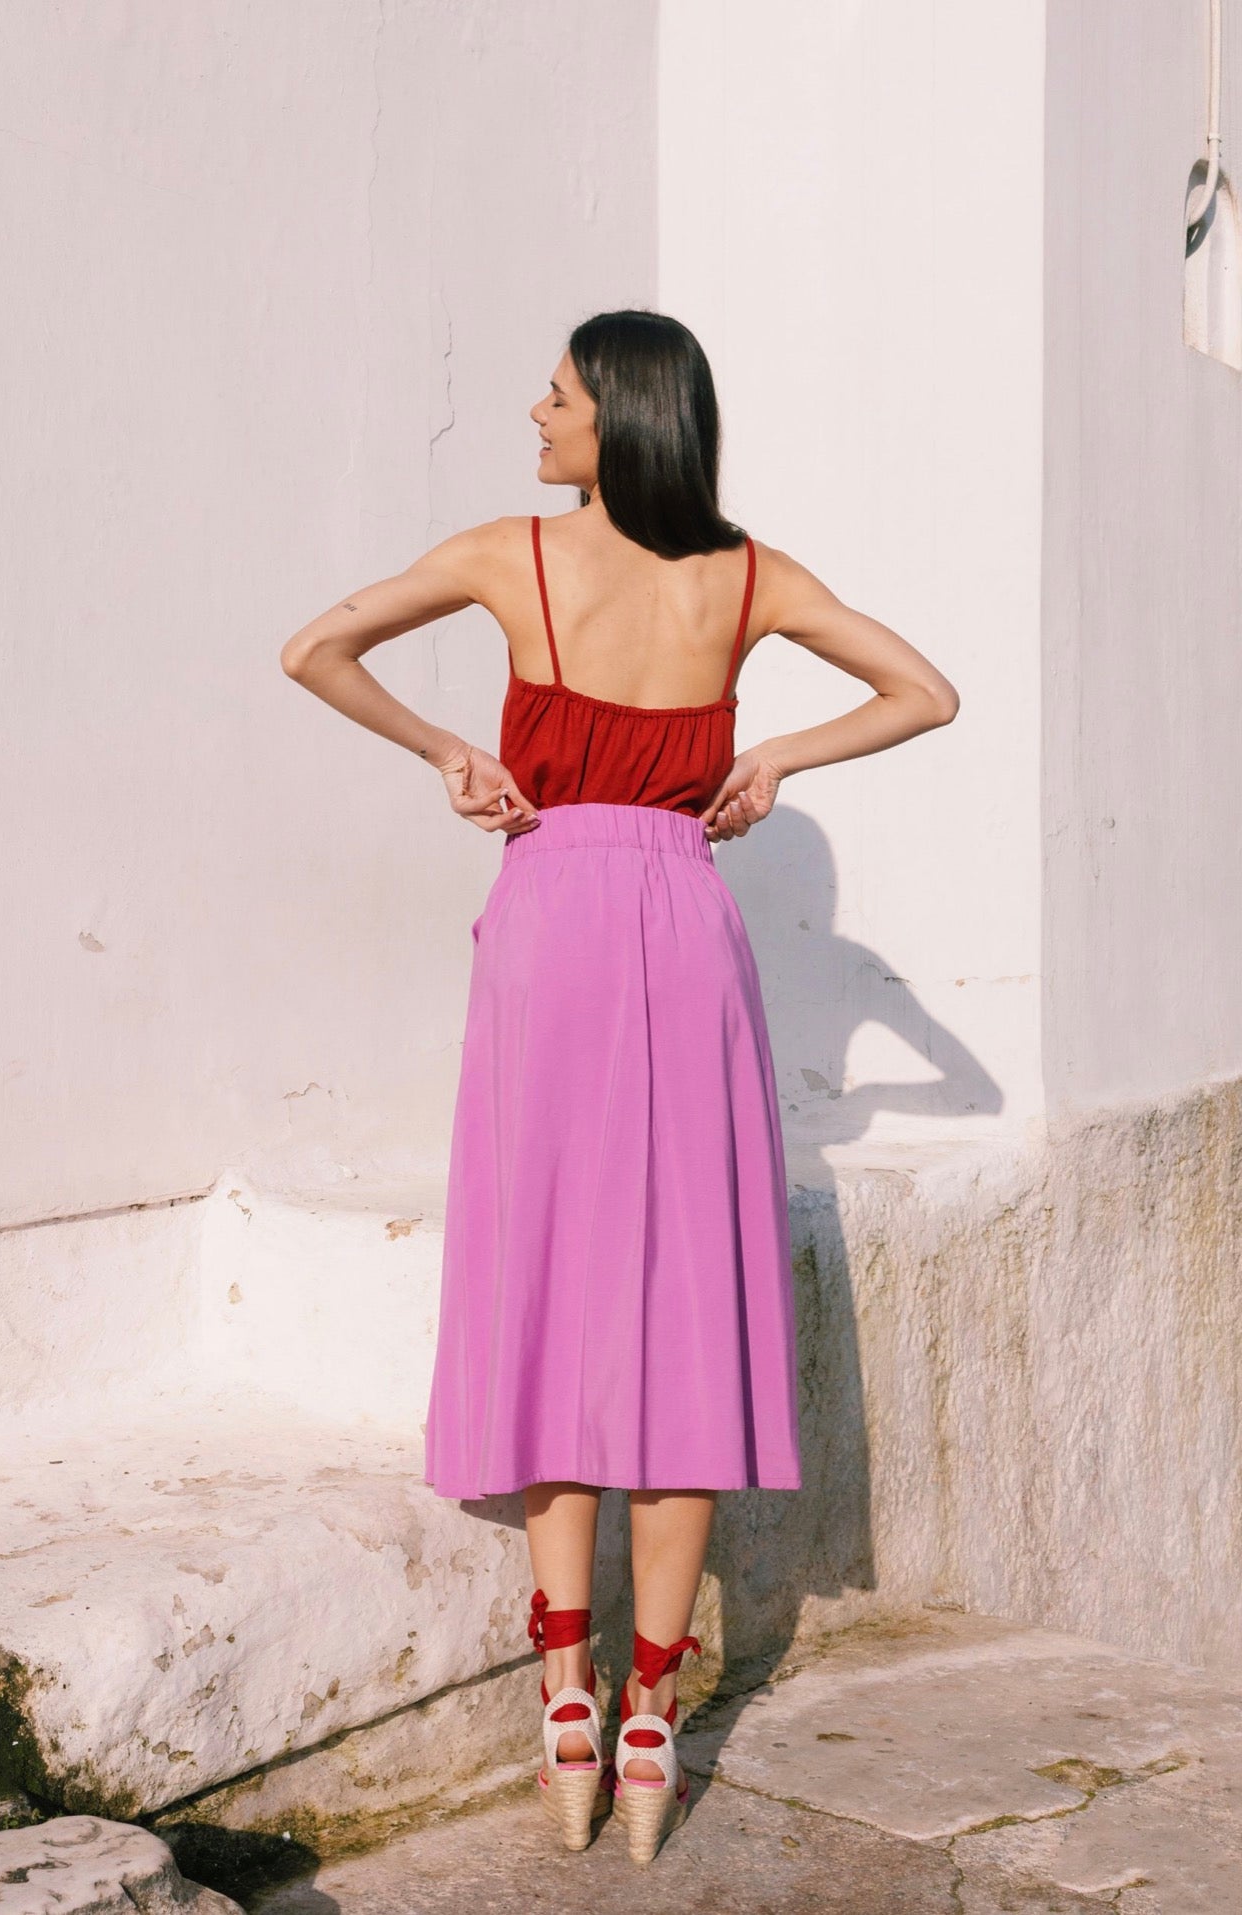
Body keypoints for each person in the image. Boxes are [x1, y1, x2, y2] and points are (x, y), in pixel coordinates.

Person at [280, 308, 959, 1865]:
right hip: (684, 934)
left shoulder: (509, 557)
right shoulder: (748, 577)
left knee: (549, 1292)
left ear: (621, 416)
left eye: (560, 394)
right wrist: (775, 757)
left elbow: (313, 648)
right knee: (682, 1307)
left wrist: (447, 751)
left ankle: (565, 1699)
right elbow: (925, 692)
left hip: (548, 926)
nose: (537, 412)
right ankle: (655, 1712)